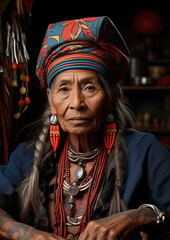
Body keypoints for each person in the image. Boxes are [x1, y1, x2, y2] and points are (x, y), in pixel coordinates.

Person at [0, 16, 170, 240]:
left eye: (89, 87)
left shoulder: (144, 150)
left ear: (111, 98)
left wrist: (140, 216)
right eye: (64, 89)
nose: (76, 102)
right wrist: (29, 235)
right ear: (51, 100)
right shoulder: (28, 156)